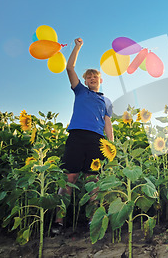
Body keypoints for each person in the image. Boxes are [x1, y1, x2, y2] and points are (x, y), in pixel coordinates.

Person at [52, 38, 114, 234]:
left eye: (95, 77)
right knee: (69, 178)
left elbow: (107, 123)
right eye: (88, 77)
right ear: (85, 81)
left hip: (96, 140)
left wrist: (111, 145)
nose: (92, 79)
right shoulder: (80, 91)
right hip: (77, 137)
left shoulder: (106, 100)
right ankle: (58, 222)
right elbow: (69, 68)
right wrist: (77, 47)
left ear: (101, 80)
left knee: (92, 181)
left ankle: (91, 220)